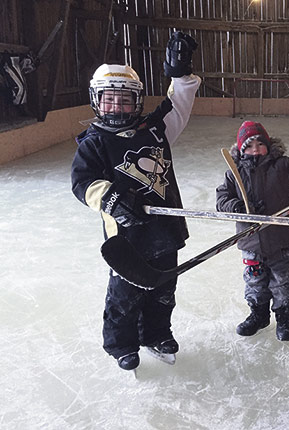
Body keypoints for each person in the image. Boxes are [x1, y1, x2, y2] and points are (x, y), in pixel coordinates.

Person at [70, 31, 201, 372]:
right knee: (124, 296)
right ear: (96, 101)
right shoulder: (93, 142)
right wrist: (111, 198)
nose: (117, 106)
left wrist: (180, 73)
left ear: (137, 101)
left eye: (124, 99)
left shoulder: (155, 129)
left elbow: (179, 103)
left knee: (163, 290)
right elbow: (82, 182)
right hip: (126, 238)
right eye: (109, 99)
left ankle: (157, 334)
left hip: (165, 231)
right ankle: (121, 344)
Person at [216, 111, 289, 341]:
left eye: (260, 144)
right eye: (249, 145)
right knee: (254, 280)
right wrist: (237, 206)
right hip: (250, 241)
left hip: (281, 239)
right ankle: (259, 314)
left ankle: (285, 319)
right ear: (241, 149)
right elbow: (222, 199)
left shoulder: (282, 166)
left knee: (282, 281)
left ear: (269, 145)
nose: (255, 150)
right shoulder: (234, 174)